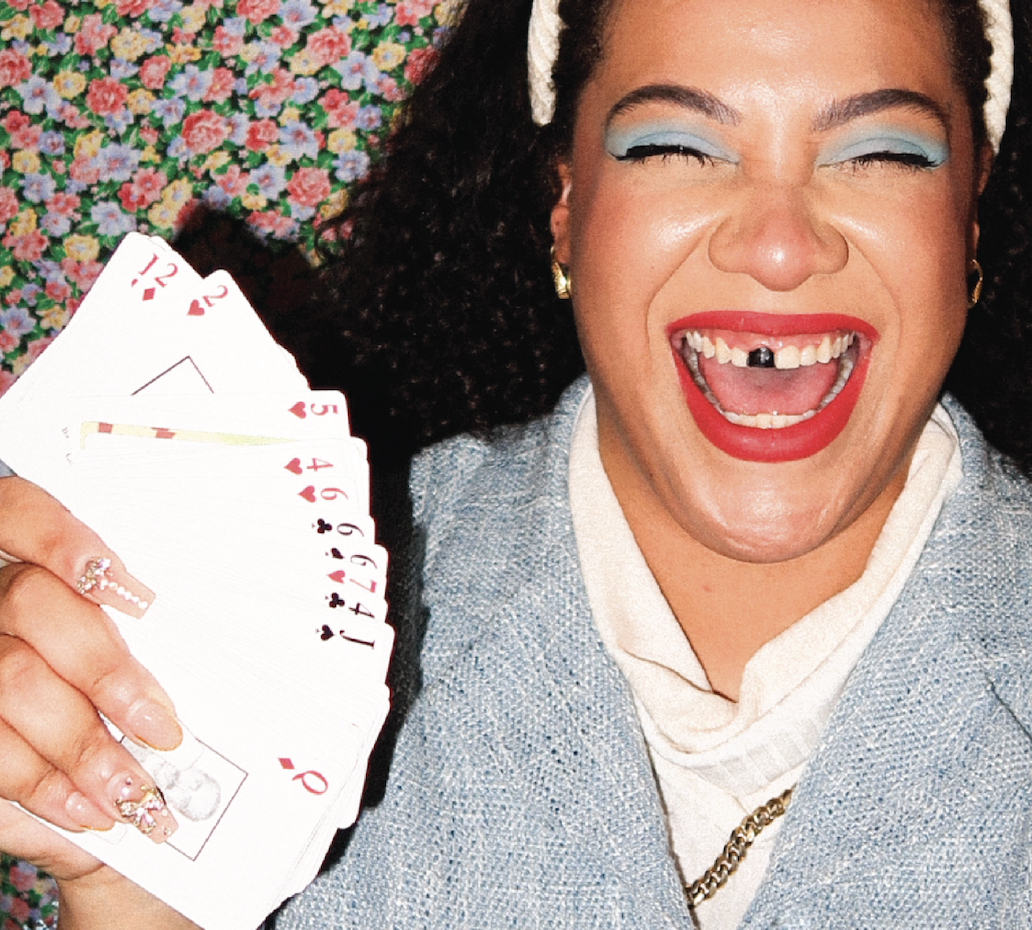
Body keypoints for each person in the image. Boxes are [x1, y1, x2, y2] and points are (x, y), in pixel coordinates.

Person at [1, 0, 1032, 926]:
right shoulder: (229, 623)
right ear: (565, 202)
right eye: (676, 145)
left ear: (969, 212)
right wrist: (130, 890)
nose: (777, 245)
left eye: (882, 153)